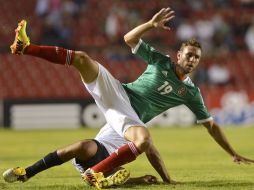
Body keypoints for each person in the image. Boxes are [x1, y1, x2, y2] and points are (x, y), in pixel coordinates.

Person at [3, 7, 254, 189]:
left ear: (199, 61)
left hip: (125, 120)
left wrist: (232, 152)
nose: (191, 60)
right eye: (188, 55)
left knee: (140, 139)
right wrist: (150, 25)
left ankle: (95, 174)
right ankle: (25, 48)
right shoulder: (161, 61)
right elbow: (129, 39)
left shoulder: (191, 93)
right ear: (178, 55)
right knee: (82, 58)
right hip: (119, 94)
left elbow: (211, 125)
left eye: (196, 57)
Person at [3, 127, 158, 189]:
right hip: (99, 149)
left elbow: (152, 151)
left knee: (120, 171)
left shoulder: (142, 130)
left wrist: (167, 179)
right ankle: (27, 172)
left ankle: (100, 179)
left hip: (114, 160)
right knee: (83, 146)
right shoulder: (119, 113)